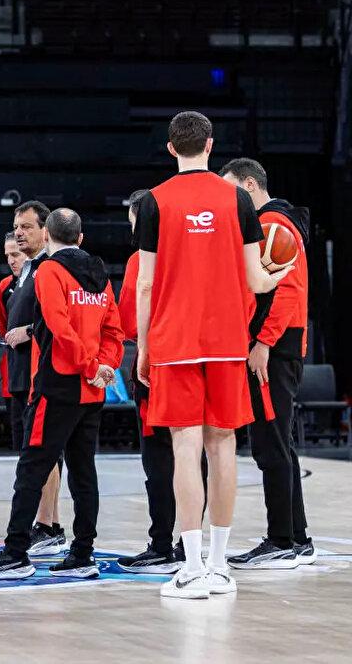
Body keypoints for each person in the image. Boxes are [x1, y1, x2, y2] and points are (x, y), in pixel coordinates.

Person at [134, 111, 289, 599]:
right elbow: (256, 281)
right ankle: (221, 567)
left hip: (174, 342)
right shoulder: (239, 199)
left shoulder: (155, 202)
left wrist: (143, 347)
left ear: (171, 148)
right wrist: (281, 272)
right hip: (226, 342)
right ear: (211, 145)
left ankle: (193, 567)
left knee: (185, 448)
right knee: (224, 447)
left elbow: (144, 283)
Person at [0, 209, 123, 580]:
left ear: (49, 238)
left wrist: (88, 365)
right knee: (83, 472)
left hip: (57, 384)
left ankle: (15, 553)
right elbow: (114, 330)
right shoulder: (100, 274)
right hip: (92, 389)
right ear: (81, 238)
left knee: (32, 468)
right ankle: (83, 555)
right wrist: (104, 367)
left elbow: (58, 326)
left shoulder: (50, 271)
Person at [220, 158, 315, 568]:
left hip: (274, 350)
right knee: (280, 444)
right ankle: (296, 537)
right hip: (280, 347)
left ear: (249, 184)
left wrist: (262, 342)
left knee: (269, 444)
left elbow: (287, 293)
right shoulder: (279, 222)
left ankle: (280, 542)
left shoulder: (274, 225)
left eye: (231, 192)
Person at [115, 189, 185, 574]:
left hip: (155, 364)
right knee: (196, 454)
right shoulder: (193, 255)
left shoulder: (139, 261)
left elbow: (128, 318)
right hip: (197, 360)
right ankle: (188, 543)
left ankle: (161, 545)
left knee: (158, 459)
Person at [3, 201, 65, 553]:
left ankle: (47, 524)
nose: (20, 233)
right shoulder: (26, 271)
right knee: (36, 452)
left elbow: (60, 316)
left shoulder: (51, 268)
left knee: (44, 452)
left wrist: (28, 329)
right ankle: (49, 523)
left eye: (26, 227)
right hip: (21, 372)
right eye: (16, 228)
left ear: (45, 230)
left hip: (41, 373)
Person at [0, 232, 27, 452]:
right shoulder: (3, 287)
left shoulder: (43, 279)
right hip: (14, 372)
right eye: (7, 255)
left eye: (15, 254)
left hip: (38, 371)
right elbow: (3, 326)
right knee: (19, 434)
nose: (10, 260)